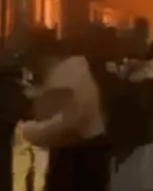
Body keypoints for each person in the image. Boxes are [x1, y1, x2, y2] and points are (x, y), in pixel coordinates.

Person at [20, 30, 110, 191]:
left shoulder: (66, 78)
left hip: (78, 159)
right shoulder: (73, 71)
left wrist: (25, 131)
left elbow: (62, 125)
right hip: (87, 154)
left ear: (43, 56)